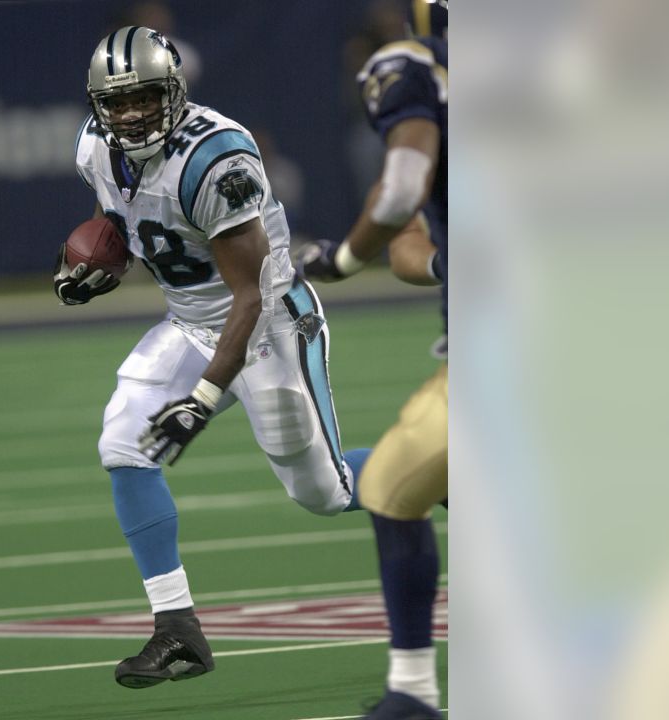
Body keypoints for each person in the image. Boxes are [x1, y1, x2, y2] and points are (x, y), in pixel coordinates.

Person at [54, 25, 362, 690]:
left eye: (147, 98)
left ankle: (442, 464)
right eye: (119, 101)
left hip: (270, 323)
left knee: (324, 492)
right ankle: (176, 628)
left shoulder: (215, 160)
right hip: (192, 321)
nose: (132, 114)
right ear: (98, 105)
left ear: (177, 92)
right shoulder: (94, 149)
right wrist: (96, 266)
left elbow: (248, 295)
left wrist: (200, 401)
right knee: (125, 441)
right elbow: (138, 230)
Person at [300, 1, 448, 717]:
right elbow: (414, 245)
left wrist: (340, 257)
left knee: (388, 484)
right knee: (395, 478)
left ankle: (415, 692)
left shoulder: (416, 69)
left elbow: (397, 193)